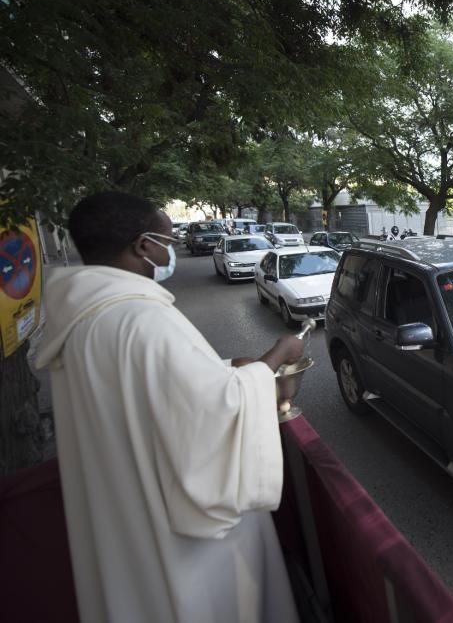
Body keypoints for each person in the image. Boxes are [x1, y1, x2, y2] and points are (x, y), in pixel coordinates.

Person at [34, 192, 303, 623]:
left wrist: (220, 367)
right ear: (142, 245)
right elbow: (215, 410)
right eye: (167, 239)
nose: (172, 248)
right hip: (179, 538)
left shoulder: (85, 317)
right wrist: (276, 356)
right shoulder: (141, 318)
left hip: (123, 512)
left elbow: (139, 390)